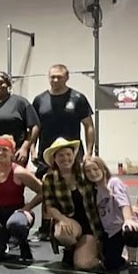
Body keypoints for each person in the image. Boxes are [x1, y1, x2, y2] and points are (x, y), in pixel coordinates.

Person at [31, 64, 95, 238]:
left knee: (75, 187)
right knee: (47, 188)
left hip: (72, 154)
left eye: (59, 77)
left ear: (67, 77)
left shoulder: (78, 98)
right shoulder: (39, 100)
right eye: (52, 76)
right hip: (47, 153)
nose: (55, 80)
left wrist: (89, 152)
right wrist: (32, 148)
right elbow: (35, 127)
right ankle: (45, 228)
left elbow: (88, 126)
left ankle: (80, 223)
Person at [0, 135, 43, 263]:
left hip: (17, 213)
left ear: (12, 152)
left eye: (4, 149)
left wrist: (27, 208)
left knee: (15, 224)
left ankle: (23, 245)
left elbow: (43, 191)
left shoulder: (19, 172)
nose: (0, 153)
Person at [40, 138, 101, 270]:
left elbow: (102, 180)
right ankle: (70, 248)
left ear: (74, 155)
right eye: (61, 155)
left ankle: (92, 250)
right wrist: (63, 219)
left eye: (68, 154)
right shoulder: (49, 179)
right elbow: (50, 206)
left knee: (82, 265)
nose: (65, 158)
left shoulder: (84, 172)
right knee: (62, 233)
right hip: (69, 221)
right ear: (54, 159)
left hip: (90, 223)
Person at [83, 156, 138, 272]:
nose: (93, 173)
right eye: (88, 171)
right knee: (111, 265)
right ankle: (123, 257)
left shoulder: (114, 182)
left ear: (103, 169)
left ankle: (133, 260)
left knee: (131, 230)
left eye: (95, 169)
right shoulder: (93, 189)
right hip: (110, 231)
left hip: (121, 226)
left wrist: (128, 219)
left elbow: (123, 202)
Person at [0, 71, 38, 169]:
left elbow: (35, 126)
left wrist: (25, 148)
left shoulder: (19, 102)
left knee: (13, 178)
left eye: (1, 83)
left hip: (14, 155)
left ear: (8, 84)